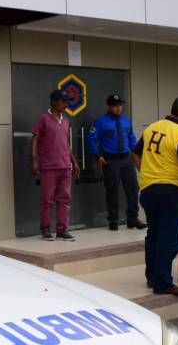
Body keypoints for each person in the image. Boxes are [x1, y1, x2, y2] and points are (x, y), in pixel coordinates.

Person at [133, 96, 178, 296]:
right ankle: (162, 283)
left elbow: (135, 153)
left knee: (154, 234)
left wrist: (145, 172)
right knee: (171, 238)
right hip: (170, 191)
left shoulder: (152, 128)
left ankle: (152, 277)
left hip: (148, 190)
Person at [86, 94, 147, 231]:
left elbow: (131, 138)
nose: (118, 108)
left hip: (126, 160)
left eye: (120, 105)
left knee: (133, 189)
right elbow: (90, 138)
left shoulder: (126, 121)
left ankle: (132, 219)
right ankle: (113, 220)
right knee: (112, 190)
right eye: (115, 105)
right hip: (111, 160)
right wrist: (97, 155)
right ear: (108, 106)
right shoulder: (101, 122)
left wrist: (136, 153)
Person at [30, 89, 81, 241]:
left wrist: (74, 162)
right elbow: (35, 138)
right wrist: (33, 159)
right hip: (48, 166)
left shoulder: (66, 121)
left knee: (65, 199)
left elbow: (66, 143)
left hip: (65, 166)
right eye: (63, 101)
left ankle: (62, 230)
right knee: (47, 200)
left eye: (67, 101)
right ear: (54, 102)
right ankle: (45, 229)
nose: (66, 104)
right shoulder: (43, 119)